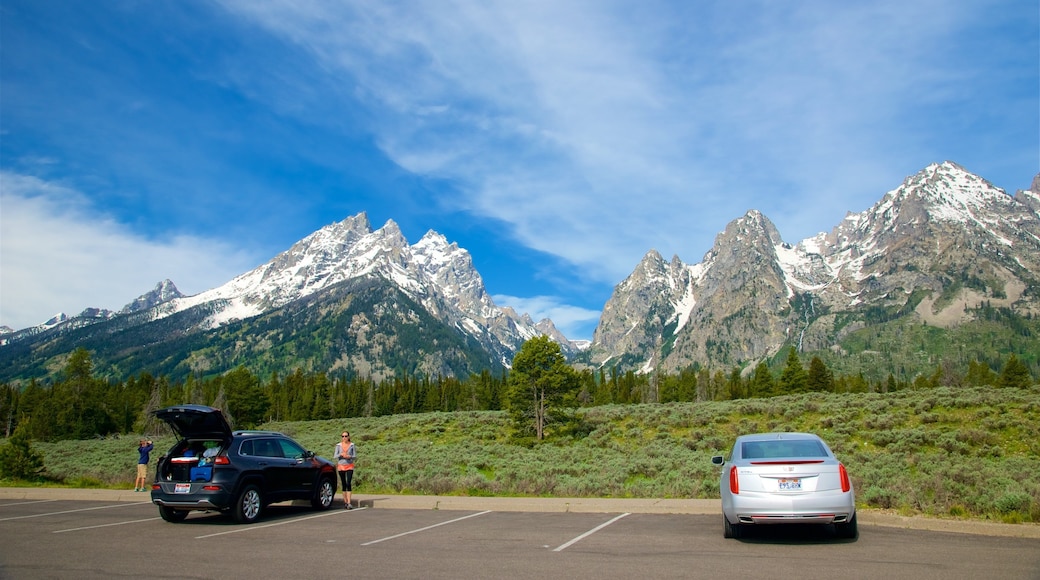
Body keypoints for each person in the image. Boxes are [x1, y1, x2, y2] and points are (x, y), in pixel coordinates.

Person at [334, 431, 356, 509]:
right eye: (343, 436)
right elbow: (335, 455)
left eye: (346, 436)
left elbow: (354, 456)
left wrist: (349, 456)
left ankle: (349, 502)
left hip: (349, 465)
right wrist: (341, 454)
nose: (344, 438)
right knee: (343, 483)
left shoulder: (352, 445)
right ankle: (345, 502)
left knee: (348, 483)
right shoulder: (338, 445)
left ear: (348, 437)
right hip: (341, 466)